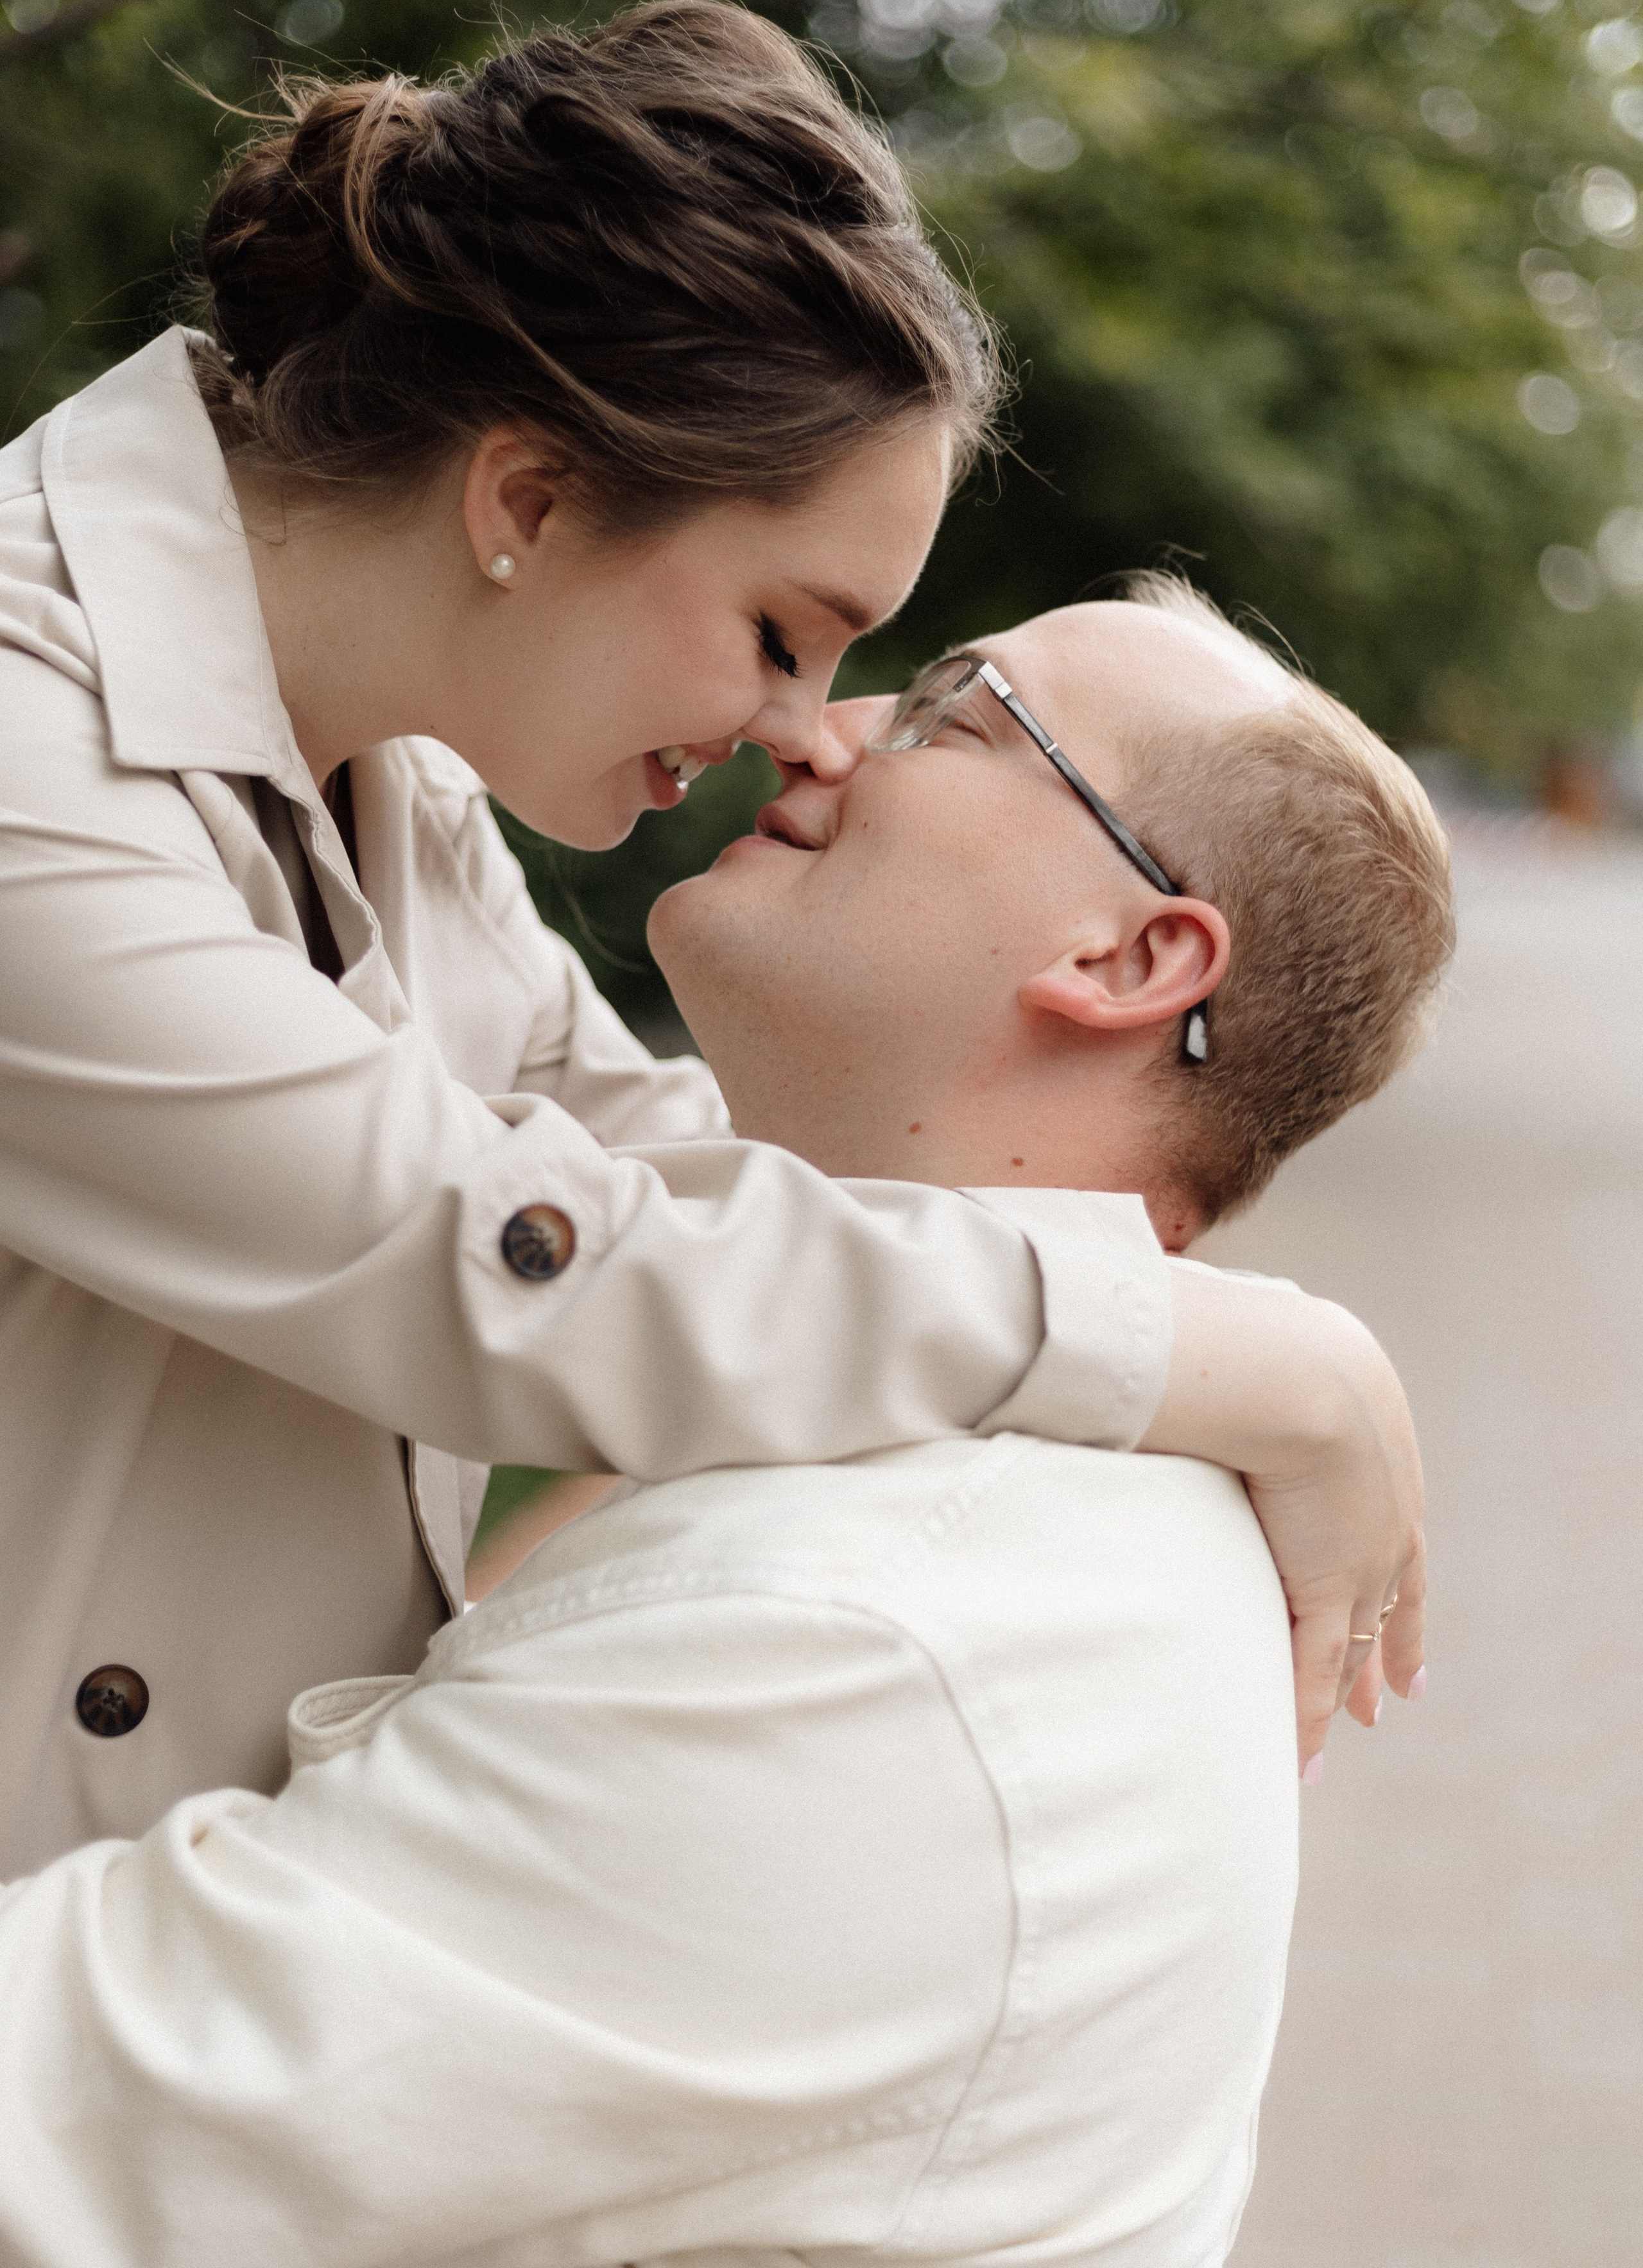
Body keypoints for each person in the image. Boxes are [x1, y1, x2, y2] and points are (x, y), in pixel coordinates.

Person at [0, 0, 1424, 1873]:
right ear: (529, 498)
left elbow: (658, 1161)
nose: (803, 731)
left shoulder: (385, 765)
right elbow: (510, 1269)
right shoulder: (32, 749)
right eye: (782, 632)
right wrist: (1259, 1367)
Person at [0, 590, 1452, 2267]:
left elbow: (70, 2117)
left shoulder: (850, 1629)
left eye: (959, 713)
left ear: (1131, 958)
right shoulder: (1012, 1459)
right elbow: (591, 1208)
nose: (817, 728)